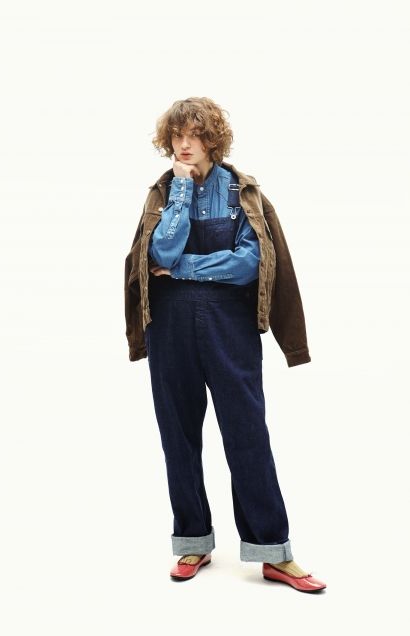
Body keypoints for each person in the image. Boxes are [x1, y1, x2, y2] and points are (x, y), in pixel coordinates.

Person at [124, 97, 326, 593]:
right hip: (169, 326)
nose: (184, 144)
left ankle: (273, 552)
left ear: (212, 138)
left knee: (247, 434)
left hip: (229, 327)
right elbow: (160, 250)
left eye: (193, 135)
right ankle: (193, 540)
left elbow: (249, 263)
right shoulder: (162, 193)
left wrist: (185, 269)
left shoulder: (243, 192)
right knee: (178, 436)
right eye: (176, 136)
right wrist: (180, 196)